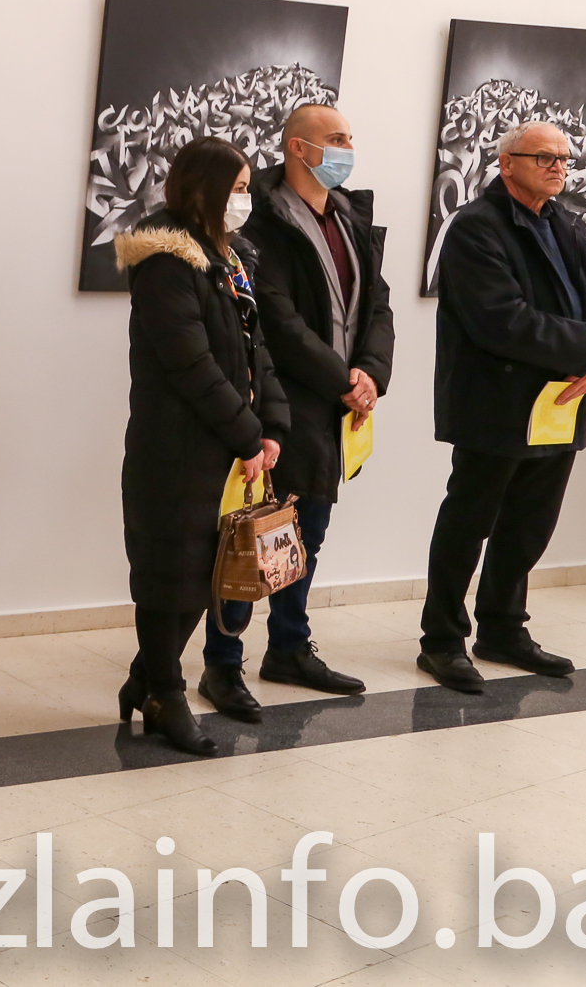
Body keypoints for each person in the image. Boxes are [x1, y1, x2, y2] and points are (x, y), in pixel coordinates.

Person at [198, 103, 392, 721]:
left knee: (307, 531)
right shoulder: (260, 218)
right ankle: (222, 664)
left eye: (349, 138)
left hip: (338, 406)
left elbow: (377, 304)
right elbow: (276, 318)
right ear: (298, 148)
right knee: (250, 534)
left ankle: (288, 646)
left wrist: (371, 373)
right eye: (335, 139)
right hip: (280, 400)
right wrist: (343, 381)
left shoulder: (351, 216)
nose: (346, 148)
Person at [419, 121, 586, 692]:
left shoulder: (568, 225)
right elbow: (501, 319)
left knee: (530, 524)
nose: (558, 167)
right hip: (496, 402)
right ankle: (442, 640)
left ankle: (503, 629)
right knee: (469, 523)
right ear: (506, 163)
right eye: (544, 157)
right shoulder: (475, 226)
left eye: (564, 158)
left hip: (560, 401)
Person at [114, 136, 289, 758]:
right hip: (177, 450)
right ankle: (165, 693)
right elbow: (190, 364)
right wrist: (245, 432)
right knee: (171, 578)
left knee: (204, 575)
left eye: (248, 188)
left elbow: (255, 349)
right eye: (237, 188)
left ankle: (146, 680)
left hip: (225, 447)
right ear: (205, 189)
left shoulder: (229, 256)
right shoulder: (167, 259)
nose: (246, 199)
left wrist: (271, 425)